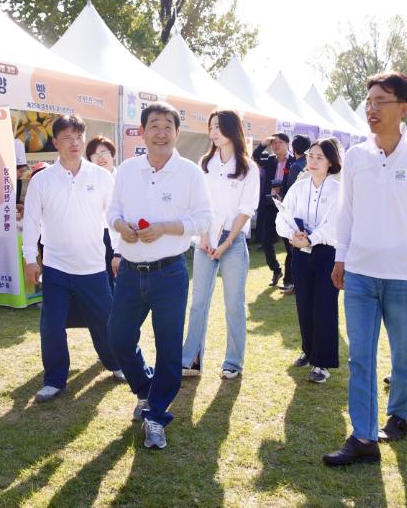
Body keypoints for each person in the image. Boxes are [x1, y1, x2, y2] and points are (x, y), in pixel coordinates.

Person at [323, 73, 407, 467]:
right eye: (368, 101)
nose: (371, 109)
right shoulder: (355, 155)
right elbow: (347, 212)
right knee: (360, 356)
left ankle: (401, 414)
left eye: (380, 101)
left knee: (403, 352)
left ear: (403, 108)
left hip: (404, 274)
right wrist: (341, 258)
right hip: (358, 272)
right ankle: (363, 436)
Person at [107, 102, 212, 450]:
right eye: (154, 125)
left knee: (169, 348)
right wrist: (121, 225)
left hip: (169, 273)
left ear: (177, 133)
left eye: (168, 126)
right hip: (130, 272)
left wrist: (166, 228)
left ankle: (156, 416)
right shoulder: (126, 170)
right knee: (119, 338)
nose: (161, 132)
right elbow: (113, 212)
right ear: (142, 131)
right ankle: (145, 390)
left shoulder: (190, 174)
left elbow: (204, 221)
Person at [22, 115, 126, 404]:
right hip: (56, 267)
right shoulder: (42, 180)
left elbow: (113, 218)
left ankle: (117, 364)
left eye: (79, 137)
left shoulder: (101, 177)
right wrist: (31, 258)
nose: (75, 143)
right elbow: (31, 223)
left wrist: (118, 252)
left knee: (106, 321)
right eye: (67, 138)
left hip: (93, 267)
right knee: (51, 325)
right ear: (55, 142)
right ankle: (55, 380)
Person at [181, 110, 259, 380]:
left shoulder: (248, 167)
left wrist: (225, 243)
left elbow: (246, 210)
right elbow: (199, 205)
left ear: (231, 129)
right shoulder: (205, 163)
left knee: (234, 303)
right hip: (205, 238)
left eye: (218, 126)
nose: (213, 132)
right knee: (199, 302)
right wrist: (204, 237)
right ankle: (190, 359)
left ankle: (233, 362)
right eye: (211, 126)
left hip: (233, 240)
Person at [276, 137, 342, 384]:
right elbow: (282, 216)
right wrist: (292, 234)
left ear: (330, 162)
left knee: (324, 306)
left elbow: (335, 225)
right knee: (304, 304)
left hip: (326, 255)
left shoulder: (337, 190)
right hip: (300, 254)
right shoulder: (299, 187)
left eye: (319, 157)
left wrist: (312, 239)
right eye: (310, 156)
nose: (313, 161)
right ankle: (308, 349)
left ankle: (322, 363)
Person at [252, 133, 295, 287]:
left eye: (280, 142)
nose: (276, 145)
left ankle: (288, 279)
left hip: (286, 207)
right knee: (265, 241)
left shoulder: (293, 162)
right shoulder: (270, 160)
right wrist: (264, 143)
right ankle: (276, 269)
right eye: (274, 143)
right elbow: (255, 156)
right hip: (270, 205)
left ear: (287, 144)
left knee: (288, 244)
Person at [85, 135, 119, 290]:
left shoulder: (123, 178)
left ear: (113, 154)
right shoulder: (87, 182)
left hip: (121, 233)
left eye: (104, 152)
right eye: (95, 155)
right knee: (103, 277)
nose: (100, 158)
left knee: (122, 277)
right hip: (97, 235)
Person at [280, 134, 311, 295]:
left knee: (293, 251)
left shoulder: (296, 167)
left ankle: (294, 283)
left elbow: (292, 191)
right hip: (309, 216)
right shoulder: (307, 164)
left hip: (295, 216)